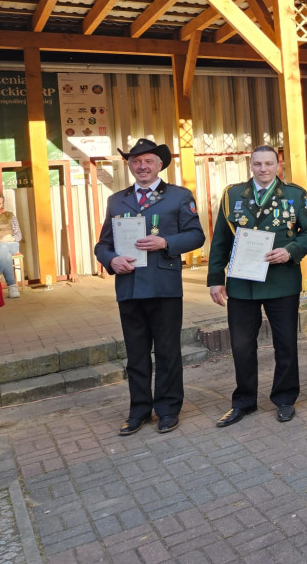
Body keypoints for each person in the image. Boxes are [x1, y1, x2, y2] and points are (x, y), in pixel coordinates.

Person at [94, 138, 205, 436]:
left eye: (148, 161)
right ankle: (139, 410)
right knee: (136, 354)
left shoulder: (179, 196)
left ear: (160, 165)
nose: (142, 166)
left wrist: (166, 242)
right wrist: (111, 260)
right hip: (129, 287)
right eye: (136, 161)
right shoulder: (117, 200)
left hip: (164, 286)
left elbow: (196, 236)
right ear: (129, 165)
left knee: (168, 352)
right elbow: (103, 244)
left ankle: (168, 409)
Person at [208, 145, 307, 427]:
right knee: (242, 345)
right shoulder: (233, 195)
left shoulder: (294, 195)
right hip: (242, 283)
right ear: (250, 164)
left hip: (281, 281)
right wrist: (215, 280)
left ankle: (284, 399)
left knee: (285, 344)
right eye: (258, 164)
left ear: (278, 164)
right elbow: (221, 239)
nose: (264, 169)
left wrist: (291, 251)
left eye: (269, 163)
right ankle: (244, 401)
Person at [0, 191, 23, 298]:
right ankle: (12, 287)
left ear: (2, 204)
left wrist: (11, 238)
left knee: (4, 247)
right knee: (5, 255)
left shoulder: (9, 215)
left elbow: (19, 235)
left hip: (12, 245)